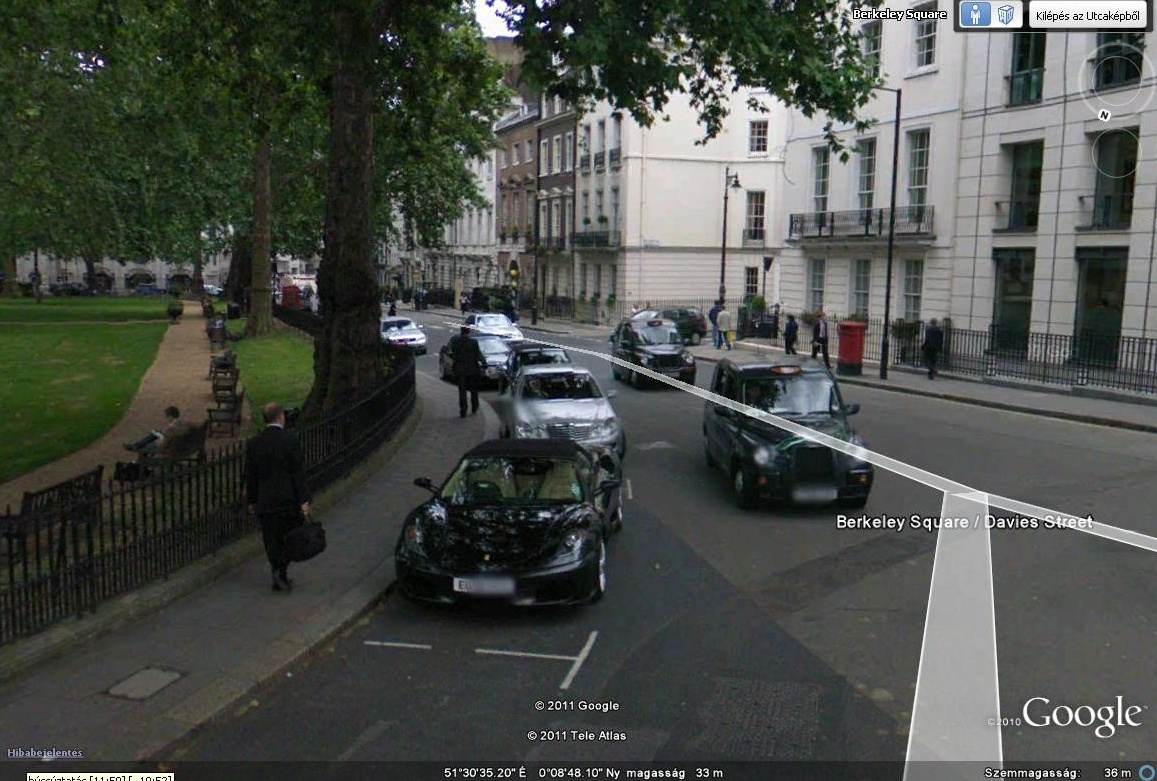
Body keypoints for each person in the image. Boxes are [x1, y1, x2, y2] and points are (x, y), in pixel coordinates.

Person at [245, 402, 312, 592]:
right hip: (288, 499)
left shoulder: (254, 444)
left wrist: (252, 500)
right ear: (280, 416)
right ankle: (281, 569)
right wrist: (304, 499)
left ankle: (276, 568)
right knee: (290, 536)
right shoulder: (290, 440)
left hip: (266, 500)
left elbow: (251, 476)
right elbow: (297, 473)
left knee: (271, 537)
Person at [124, 406, 192, 459]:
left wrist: (158, 436)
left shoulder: (171, 428)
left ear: (170, 416)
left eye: (167, 417)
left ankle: (140, 465)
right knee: (156, 432)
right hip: (178, 445)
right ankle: (136, 445)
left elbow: (164, 443)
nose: (167, 419)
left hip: (168, 449)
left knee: (144, 446)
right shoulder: (184, 424)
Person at [452, 326, 485, 417]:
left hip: (461, 370)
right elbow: (478, 355)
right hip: (472, 370)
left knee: (462, 391)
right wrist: (484, 364)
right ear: (468, 332)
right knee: (473, 390)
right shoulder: (473, 342)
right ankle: (474, 407)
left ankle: (463, 410)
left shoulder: (456, 342)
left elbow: (454, 354)